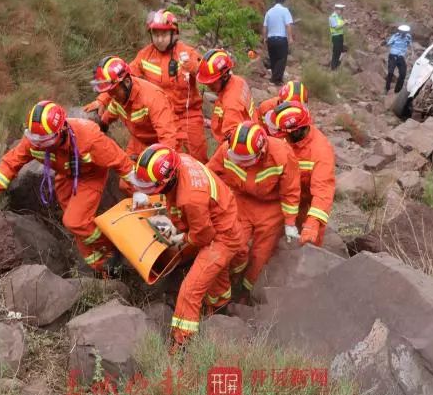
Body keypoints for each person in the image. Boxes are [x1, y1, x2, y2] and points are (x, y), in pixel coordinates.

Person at [0, 101, 136, 277]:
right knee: (78, 227)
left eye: (42, 140)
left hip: (90, 175)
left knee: (75, 221)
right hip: (66, 175)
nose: (36, 144)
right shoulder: (34, 139)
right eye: (33, 138)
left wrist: (140, 193)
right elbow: (9, 165)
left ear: (61, 132)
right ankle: (103, 268)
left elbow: (123, 164)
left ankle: (113, 248)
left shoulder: (90, 138)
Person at [130, 144, 248, 351]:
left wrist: (182, 238)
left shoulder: (191, 198)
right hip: (223, 221)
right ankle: (220, 307)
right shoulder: (179, 160)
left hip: (222, 237)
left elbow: (204, 235)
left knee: (189, 291)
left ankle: (182, 343)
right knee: (215, 278)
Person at [85, 10, 208, 163]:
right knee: (158, 159)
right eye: (155, 35)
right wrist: (102, 100)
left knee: (198, 159)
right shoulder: (145, 55)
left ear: (174, 34)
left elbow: (209, 74)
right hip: (156, 116)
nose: (159, 39)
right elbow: (121, 78)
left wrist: (195, 68)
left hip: (187, 115)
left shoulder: (187, 53)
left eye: (163, 35)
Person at [206, 121, 300, 301]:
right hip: (241, 201)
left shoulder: (282, 155)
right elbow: (210, 173)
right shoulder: (227, 149)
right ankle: (230, 278)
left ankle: (246, 292)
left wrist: (289, 223)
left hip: (270, 209)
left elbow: (290, 191)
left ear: (262, 151)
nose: (243, 165)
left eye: (247, 161)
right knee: (234, 243)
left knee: (260, 255)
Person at [267, 101, 335, 246]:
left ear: (296, 131)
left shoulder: (320, 151)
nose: (280, 135)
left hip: (305, 201)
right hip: (282, 196)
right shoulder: (285, 136)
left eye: (283, 132)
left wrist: (313, 222)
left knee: (309, 240)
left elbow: (323, 190)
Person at [89, 56, 179, 160]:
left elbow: (168, 137)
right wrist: (99, 124)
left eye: (113, 91)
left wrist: (159, 159)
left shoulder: (153, 98)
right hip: (138, 143)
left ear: (126, 81)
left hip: (160, 144)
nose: (110, 95)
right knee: (126, 174)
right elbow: (110, 114)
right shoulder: (118, 99)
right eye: (108, 92)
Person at [196, 49, 256, 144]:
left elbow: (234, 142)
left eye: (211, 83)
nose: (208, 86)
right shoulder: (237, 81)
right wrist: (211, 123)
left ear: (224, 77)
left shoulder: (231, 104)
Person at [262, 0, 294, 85]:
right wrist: (290, 37)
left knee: (273, 59)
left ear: (275, 1)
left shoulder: (269, 12)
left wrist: (264, 38)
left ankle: (277, 78)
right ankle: (275, 79)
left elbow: (265, 27)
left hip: (271, 39)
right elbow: (288, 25)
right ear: (283, 2)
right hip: (281, 39)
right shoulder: (285, 10)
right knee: (281, 59)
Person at [385, 25, 412, 94]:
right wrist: (386, 43)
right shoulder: (395, 36)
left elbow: (410, 45)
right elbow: (389, 43)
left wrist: (408, 53)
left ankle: (397, 90)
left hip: (400, 57)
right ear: (400, 31)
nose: (403, 33)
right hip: (393, 56)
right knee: (390, 72)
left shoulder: (408, 37)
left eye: (405, 32)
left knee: (403, 73)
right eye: (402, 32)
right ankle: (387, 88)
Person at [329, 4, 346, 70]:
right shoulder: (332, 17)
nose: (341, 11)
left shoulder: (339, 17)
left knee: (340, 51)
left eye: (342, 10)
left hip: (340, 35)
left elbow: (340, 25)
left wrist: (344, 23)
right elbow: (335, 27)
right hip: (336, 36)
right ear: (336, 9)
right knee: (336, 52)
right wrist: (343, 23)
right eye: (340, 10)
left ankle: (337, 65)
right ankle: (333, 67)